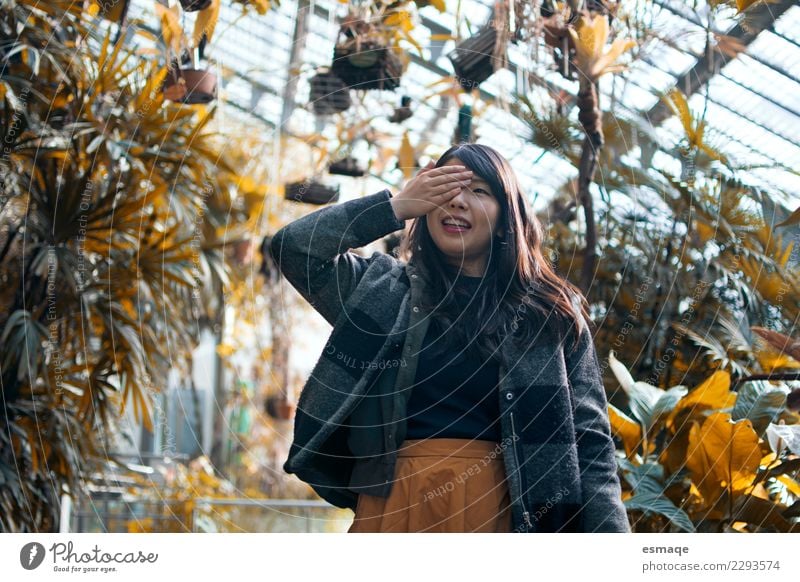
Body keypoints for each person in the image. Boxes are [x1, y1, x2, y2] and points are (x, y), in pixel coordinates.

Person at [270, 143, 630, 533]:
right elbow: (294, 248)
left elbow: (591, 442)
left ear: (507, 215)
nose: (457, 201)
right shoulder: (382, 291)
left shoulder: (548, 313)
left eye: (478, 191)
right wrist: (395, 206)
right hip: (394, 503)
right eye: (445, 187)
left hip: (504, 510)